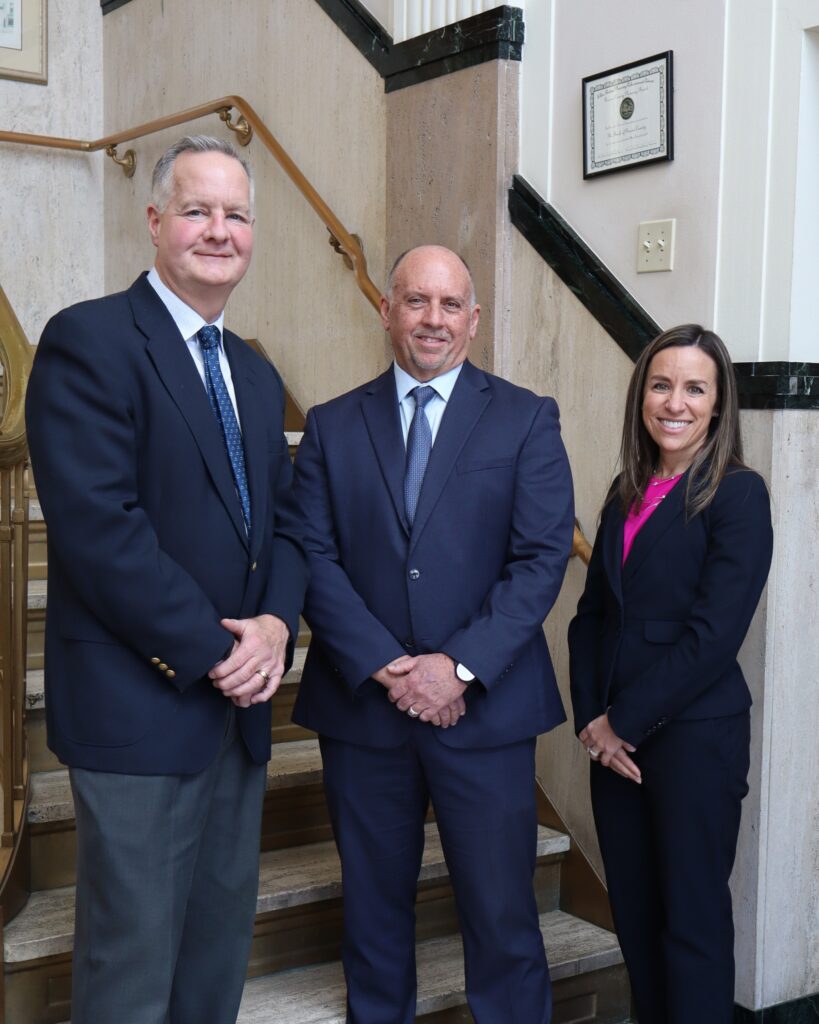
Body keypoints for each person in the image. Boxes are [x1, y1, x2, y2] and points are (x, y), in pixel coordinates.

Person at [25, 135, 307, 1024]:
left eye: (236, 214)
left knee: (211, 969)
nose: (218, 230)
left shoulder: (256, 375)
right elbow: (99, 530)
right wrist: (215, 649)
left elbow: (288, 528)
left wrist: (274, 628)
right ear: (154, 222)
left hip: (238, 718)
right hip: (138, 711)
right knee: (131, 973)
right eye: (197, 210)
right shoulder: (89, 341)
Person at [292, 244, 574, 1024]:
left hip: (485, 713)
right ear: (386, 311)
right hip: (363, 717)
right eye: (415, 301)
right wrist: (390, 666)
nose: (433, 319)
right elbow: (311, 554)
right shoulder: (329, 425)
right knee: (373, 919)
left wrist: (456, 668)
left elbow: (540, 558)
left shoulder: (524, 418)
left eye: (450, 305)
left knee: (501, 921)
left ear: (474, 320)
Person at [568, 325, 773, 1023]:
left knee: (690, 923)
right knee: (635, 916)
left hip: (692, 741)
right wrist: (592, 723)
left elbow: (713, 637)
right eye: (661, 385)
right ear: (641, 396)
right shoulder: (625, 491)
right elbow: (590, 617)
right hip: (613, 746)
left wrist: (619, 722)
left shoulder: (738, 496)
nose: (674, 402)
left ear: (717, 405)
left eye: (694, 388)